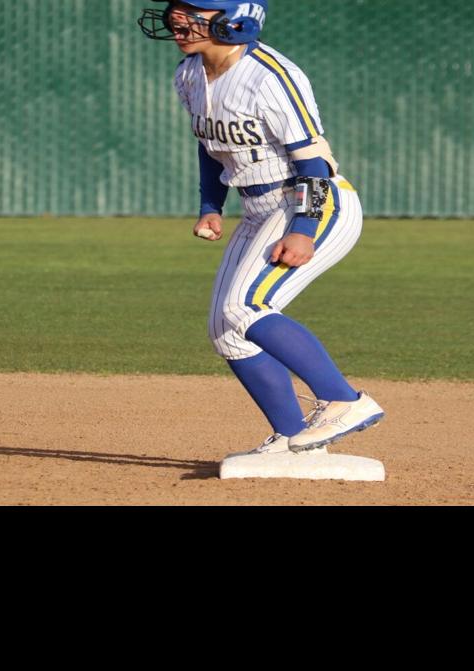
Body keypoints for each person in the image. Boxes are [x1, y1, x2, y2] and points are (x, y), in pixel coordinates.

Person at [138, 0, 383, 458]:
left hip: (312, 202)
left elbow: (312, 162)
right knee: (225, 330)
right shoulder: (189, 73)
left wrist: (304, 229)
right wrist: (212, 205)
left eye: (194, 13)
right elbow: (210, 148)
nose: (178, 22)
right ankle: (293, 440)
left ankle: (345, 401)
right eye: (178, 12)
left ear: (236, 20)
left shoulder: (270, 75)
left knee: (245, 306)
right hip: (258, 208)